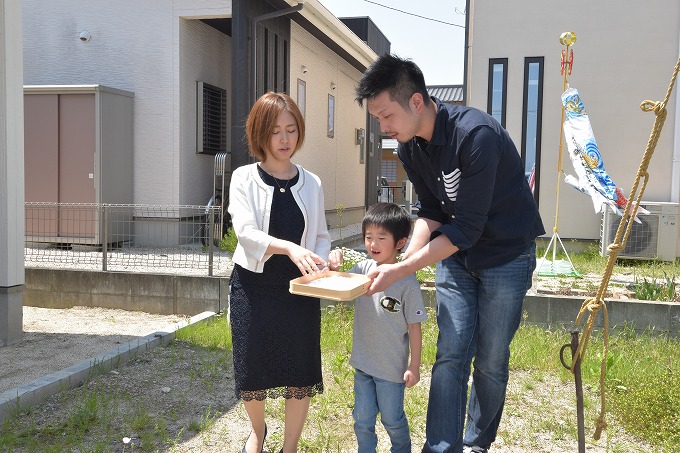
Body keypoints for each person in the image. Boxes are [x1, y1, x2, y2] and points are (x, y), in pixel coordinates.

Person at [354, 55, 545, 453]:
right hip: (457, 257)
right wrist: (403, 260)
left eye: (387, 115)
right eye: (378, 119)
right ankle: (441, 447)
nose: (384, 127)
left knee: (491, 359)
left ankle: (477, 443)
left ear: (417, 102)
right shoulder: (409, 147)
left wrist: (404, 266)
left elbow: (467, 227)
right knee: (451, 353)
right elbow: (433, 212)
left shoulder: (476, 136)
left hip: (506, 254)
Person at [228, 92, 331, 453]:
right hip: (253, 287)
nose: (284, 140)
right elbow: (246, 232)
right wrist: (288, 247)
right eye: (275, 132)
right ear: (260, 134)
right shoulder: (243, 178)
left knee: (299, 370)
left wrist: (321, 262)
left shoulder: (312, 182)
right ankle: (258, 431)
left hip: (298, 291)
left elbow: (320, 235)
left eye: (291, 130)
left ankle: (290, 446)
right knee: (251, 367)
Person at [329, 202, 428, 453]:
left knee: (392, 420)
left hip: (391, 370)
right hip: (363, 364)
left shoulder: (407, 283)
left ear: (400, 242)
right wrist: (335, 265)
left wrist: (414, 367)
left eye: (381, 237)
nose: (373, 244)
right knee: (362, 420)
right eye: (368, 237)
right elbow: (340, 284)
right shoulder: (363, 269)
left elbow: (415, 328)